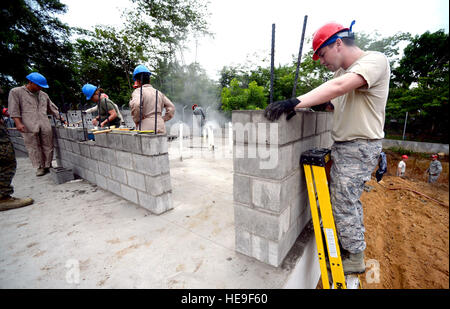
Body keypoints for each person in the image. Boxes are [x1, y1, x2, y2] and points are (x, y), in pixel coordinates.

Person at [264, 20, 390, 275]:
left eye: (322, 54)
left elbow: (338, 89)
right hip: (348, 145)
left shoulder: (374, 61)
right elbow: (334, 103)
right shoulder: (340, 74)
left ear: (339, 44)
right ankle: (349, 245)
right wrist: (303, 108)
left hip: (359, 146)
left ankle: (354, 256)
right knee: (342, 197)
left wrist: (294, 101)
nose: (322, 61)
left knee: (344, 200)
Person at [8, 72, 66, 176]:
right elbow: (13, 109)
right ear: (30, 82)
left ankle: (48, 165)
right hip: (28, 122)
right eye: (38, 85)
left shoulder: (43, 95)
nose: (40, 88)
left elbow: (51, 108)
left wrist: (61, 118)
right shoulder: (16, 92)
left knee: (48, 144)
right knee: (33, 146)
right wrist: (18, 123)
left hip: (43, 121)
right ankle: (40, 167)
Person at [129, 65, 175, 133]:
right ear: (149, 80)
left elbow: (136, 105)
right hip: (160, 126)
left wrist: (137, 120)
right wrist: (162, 119)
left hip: (146, 127)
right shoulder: (158, 92)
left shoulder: (138, 91)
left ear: (137, 81)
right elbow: (171, 107)